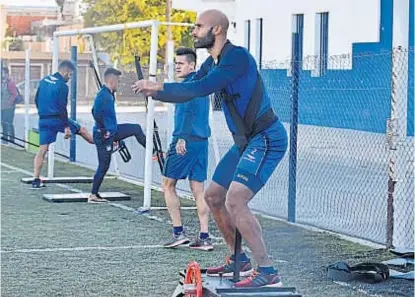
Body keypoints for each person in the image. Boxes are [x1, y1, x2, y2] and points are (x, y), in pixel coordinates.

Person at [132, 9, 288, 288]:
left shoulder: (236, 57)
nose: (193, 31)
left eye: (199, 26)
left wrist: (157, 87)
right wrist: (157, 91)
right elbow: (192, 85)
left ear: (216, 30)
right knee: (214, 197)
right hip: (245, 142)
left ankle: (267, 270)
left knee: (236, 200)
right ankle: (238, 259)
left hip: (266, 138)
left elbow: (201, 88)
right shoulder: (211, 61)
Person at [162, 48, 212, 250]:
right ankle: (205, 237)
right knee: (198, 189)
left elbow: (187, 112)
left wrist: (181, 138)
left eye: (181, 63)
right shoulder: (202, 85)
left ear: (192, 66)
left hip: (186, 139)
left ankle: (178, 233)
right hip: (202, 141)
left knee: (167, 184)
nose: (177, 67)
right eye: (176, 63)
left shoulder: (187, 86)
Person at [89, 67, 148, 203]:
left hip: (109, 132)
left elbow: (94, 111)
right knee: (103, 166)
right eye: (118, 81)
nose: (119, 84)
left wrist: (113, 134)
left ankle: (153, 151)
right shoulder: (104, 96)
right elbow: (96, 112)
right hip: (104, 135)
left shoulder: (107, 94)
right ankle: (93, 195)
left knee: (135, 128)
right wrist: (107, 133)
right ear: (111, 80)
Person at [32, 60, 94, 189]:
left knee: (42, 150)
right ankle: (102, 142)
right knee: (82, 130)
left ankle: (36, 179)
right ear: (65, 71)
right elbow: (62, 107)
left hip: (43, 119)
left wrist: (42, 113)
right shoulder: (62, 86)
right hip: (57, 119)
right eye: (70, 75)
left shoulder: (44, 80)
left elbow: (36, 99)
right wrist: (66, 127)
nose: (70, 78)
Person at [1, 67, 18, 144]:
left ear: (6, 74)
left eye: (3, 73)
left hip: (9, 108)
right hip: (3, 107)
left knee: (9, 123)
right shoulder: (2, 83)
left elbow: (15, 94)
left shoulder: (10, 83)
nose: (1, 74)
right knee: (3, 123)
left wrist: (9, 103)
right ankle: (5, 139)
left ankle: (11, 140)